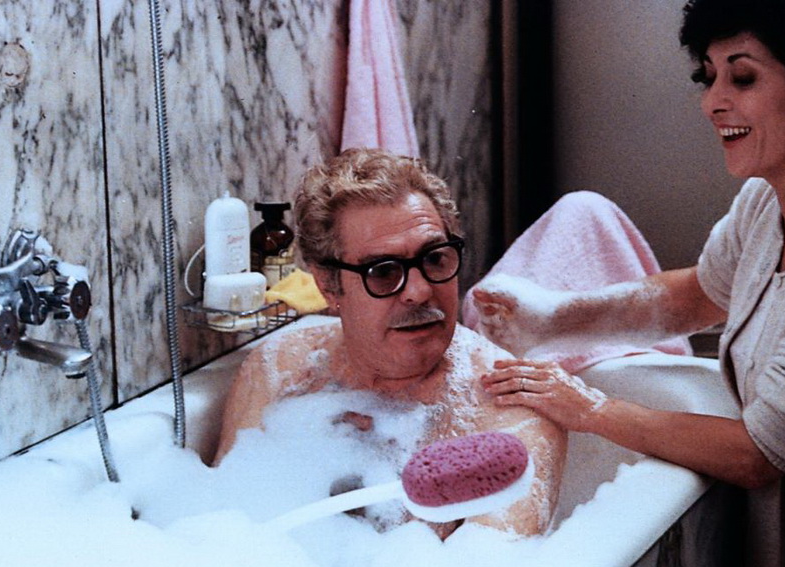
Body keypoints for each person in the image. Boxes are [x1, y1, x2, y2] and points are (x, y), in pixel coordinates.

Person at [471, 0, 785, 567]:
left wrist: (591, 410)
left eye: (742, 78)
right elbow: (696, 295)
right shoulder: (765, 202)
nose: (712, 101)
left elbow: (756, 455)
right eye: (708, 76)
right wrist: (551, 318)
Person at [214, 148, 566, 539]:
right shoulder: (278, 368)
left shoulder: (511, 408)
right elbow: (222, 533)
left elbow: (488, 566)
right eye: (383, 271)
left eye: (435, 259)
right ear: (328, 285)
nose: (419, 291)